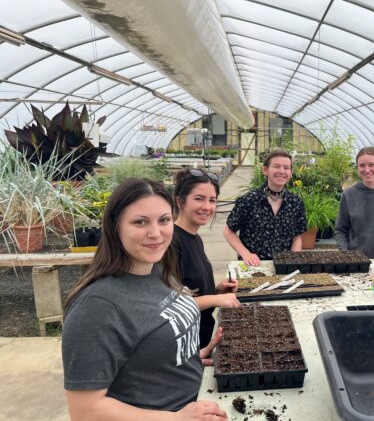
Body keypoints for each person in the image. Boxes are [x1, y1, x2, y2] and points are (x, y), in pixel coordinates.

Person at [62, 178, 227, 419]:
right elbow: (86, 411)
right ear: (115, 226)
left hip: (201, 400)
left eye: (164, 220)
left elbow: (148, 346)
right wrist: (176, 418)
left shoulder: (158, 269)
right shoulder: (96, 307)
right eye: (140, 222)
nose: (156, 233)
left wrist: (182, 358)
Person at [173, 168, 239, 349]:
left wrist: (216, 290)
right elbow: (170, 307)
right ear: (180, 202)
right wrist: (215, 300)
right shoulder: (171, 244)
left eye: (212, 200)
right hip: (184, 345)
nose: (207, 207)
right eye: (199, 199)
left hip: (201, 339)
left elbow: (189, 287)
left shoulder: (194, 237)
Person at [224, 149, 306, 266]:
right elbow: (228, 231)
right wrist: (245, 254)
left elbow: (297, 236)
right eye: (276, 166)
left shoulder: (296, 202)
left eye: (286, 168)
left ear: (291, 173)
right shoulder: (249, 200)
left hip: (283, 266)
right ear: (265, 170)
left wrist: (294, 261)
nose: (281, 171)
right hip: (253, 266)